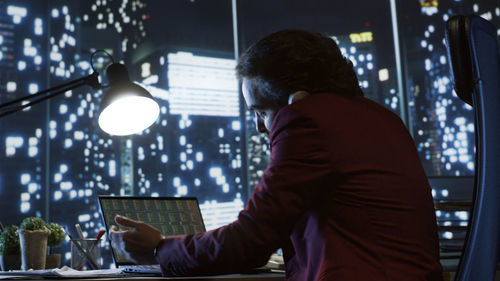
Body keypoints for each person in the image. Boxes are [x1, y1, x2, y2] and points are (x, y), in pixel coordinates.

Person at [109, 29, 443, 280]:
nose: (259, 127)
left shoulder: (307, 117)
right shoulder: (384, 119)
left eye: (262, 111)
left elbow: (252, 238)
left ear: (298, 98)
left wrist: (157, 248)